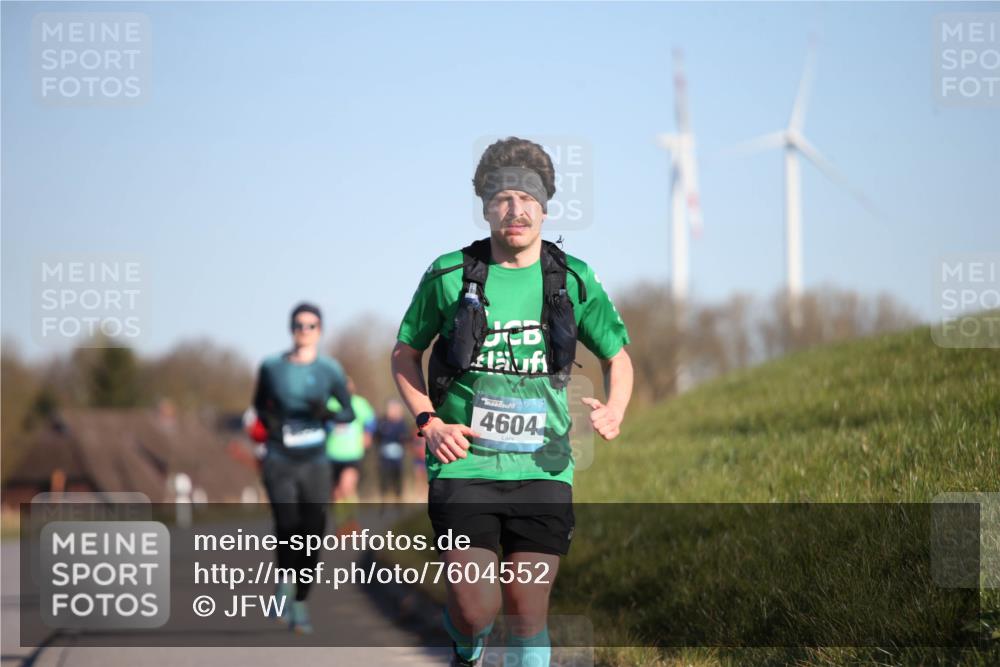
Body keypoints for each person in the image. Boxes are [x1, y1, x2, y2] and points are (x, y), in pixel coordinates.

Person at [390, 137, 634, 666]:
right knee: (476, 607)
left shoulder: (572, 279)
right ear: (485, 208)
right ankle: (466, 644)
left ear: (546, 206)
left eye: (528, 197)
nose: (515, 209)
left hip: (543, 467)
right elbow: (405, 354)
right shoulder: (449, 274)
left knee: (527, 609)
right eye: (502, 198)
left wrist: (615, 408)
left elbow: (618, 356)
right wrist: (427, 420)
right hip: (464, 464)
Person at [252, 302, 355, 634]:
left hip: (315, 460)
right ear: (290, 328)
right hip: (280, 458)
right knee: (287, 525)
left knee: (312, 533)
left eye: (311, 326)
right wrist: (272, 423)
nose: (304, 331)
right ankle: (285, 584)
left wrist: (326, 412)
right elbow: (258, 405)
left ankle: (300, 601)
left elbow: (348, 413)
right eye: (298, 325)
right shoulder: (271, 367)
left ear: (320, 331)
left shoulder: (330, 370)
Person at [325, 378, 376, 532]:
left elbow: (370, 421)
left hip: (352, 453)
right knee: (336, 492)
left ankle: (352, 522)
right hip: (332, 453)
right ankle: (342, 525)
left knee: (347, 486)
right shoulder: (330, 404)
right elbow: (322, 423)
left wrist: (368, 435)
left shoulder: (359, 403)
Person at [374, 398, 413, 501]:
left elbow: (407, 439)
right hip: (384, 458)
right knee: (385, 479)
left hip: (398, 459)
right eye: (391, 409)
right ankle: (384, 499)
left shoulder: (403, 424)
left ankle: (398, 499)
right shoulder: (382, 422)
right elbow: (376, 437)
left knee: (398, 479)